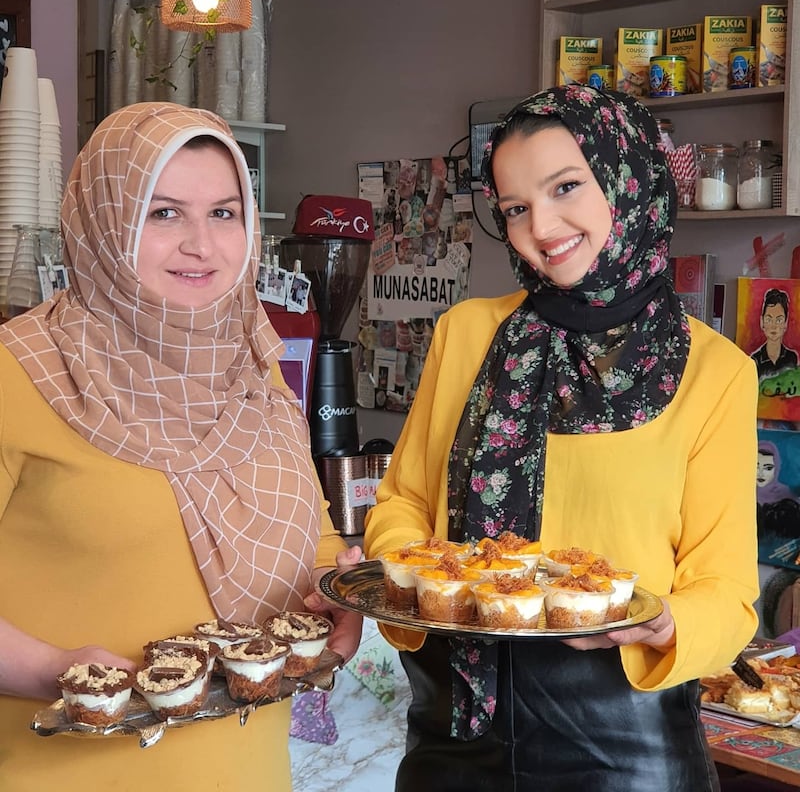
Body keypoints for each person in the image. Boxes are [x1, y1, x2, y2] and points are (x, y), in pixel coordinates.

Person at [364, 86, 759, 791]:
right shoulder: (467, 334)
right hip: (457, 732)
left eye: (566, 187)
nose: (540, 227)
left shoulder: (715, 371)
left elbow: (726, 591)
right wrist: (419, 581)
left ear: (628, 182)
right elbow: (402, 504)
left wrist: (663, 623)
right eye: (515, 208)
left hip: (622, 744)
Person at [0, 102, 361, 791]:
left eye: (224, 213)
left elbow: (308, 544)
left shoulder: (257, 372)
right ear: (104, 221)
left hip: (244, 772)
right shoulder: (20, 374)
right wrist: (52, 669)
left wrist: (340, 593)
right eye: (163, 213)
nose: (201, 244)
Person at [750, 287, 799, 380]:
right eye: (769, 319)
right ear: (762, 322)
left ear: (785, 323)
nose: (774, 326)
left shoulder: (792, 358)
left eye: (779, 320)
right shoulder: (755, 360)